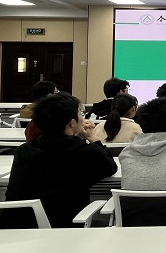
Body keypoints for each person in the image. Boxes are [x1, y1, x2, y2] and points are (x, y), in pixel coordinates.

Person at [0, 92, 117, 228]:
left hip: (17, 227)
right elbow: (110, 166)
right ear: (72, 123)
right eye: (80, 114)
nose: (82, 117)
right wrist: (92, 138)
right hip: (64, 228)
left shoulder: (23, 150)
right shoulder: (85, 152)